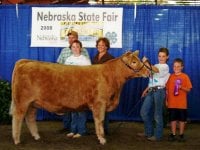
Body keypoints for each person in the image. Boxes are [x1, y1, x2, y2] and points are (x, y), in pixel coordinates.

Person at [57, 30, 90, 132]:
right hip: (68, 85)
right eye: (69, 38)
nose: (71, 40)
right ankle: (70, 128)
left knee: (80, 109)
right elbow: (60, 66)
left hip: (80, 86)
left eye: (73, 38)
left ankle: (81, 129)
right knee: (68, 107)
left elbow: (89, 71)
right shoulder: (65, 53)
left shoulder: (84, 55)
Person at [138, 47, 170, 141]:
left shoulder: (165, 67)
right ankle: (149, 132)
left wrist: (146, 62)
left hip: (159, 91)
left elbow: (155, 70)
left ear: (167, 57)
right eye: (159, 56)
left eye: (163, 56)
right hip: (151, 90)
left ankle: (158, 136)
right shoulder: (155, 64)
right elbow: (152, 78)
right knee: (144, 112)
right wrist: (146, 89)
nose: (161, 58)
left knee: (157, 114)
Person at [65, 40, 91, 138]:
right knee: (72, 110)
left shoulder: (85, 60)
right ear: (71, 48)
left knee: (81, 110)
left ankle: (81, 131)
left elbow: (90, 75)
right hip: (71, 88)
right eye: (73, 47)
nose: (75, 48)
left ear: (81, 48)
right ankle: (73, 130)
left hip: (82, 88)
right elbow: (65, 74)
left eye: (77, 46)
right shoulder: (68, 59)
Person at [166, 58, 192, 142]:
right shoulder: (170, 76)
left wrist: (181, 87)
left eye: (178, 66)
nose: (176, 68)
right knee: (172, 120)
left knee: (182, 120)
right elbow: (167, 90)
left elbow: (189, 89)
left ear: (182, 67)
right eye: (174, 66)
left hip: (181, 104)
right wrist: (166, 100)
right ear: (172, 67)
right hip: (172, 103)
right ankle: (173, 134)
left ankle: (181, 135)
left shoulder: (185, 76)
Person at [92, 37, 115, 134]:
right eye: (99, 45)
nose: (100, 47)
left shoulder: (110, 58)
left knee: (104, 107)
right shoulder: (95, 57)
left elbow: (112, 74)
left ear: (106, 47)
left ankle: (105, 129)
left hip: (105, 86)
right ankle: (99, 129)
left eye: (103, 45)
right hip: (95, 85)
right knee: (97, 107)